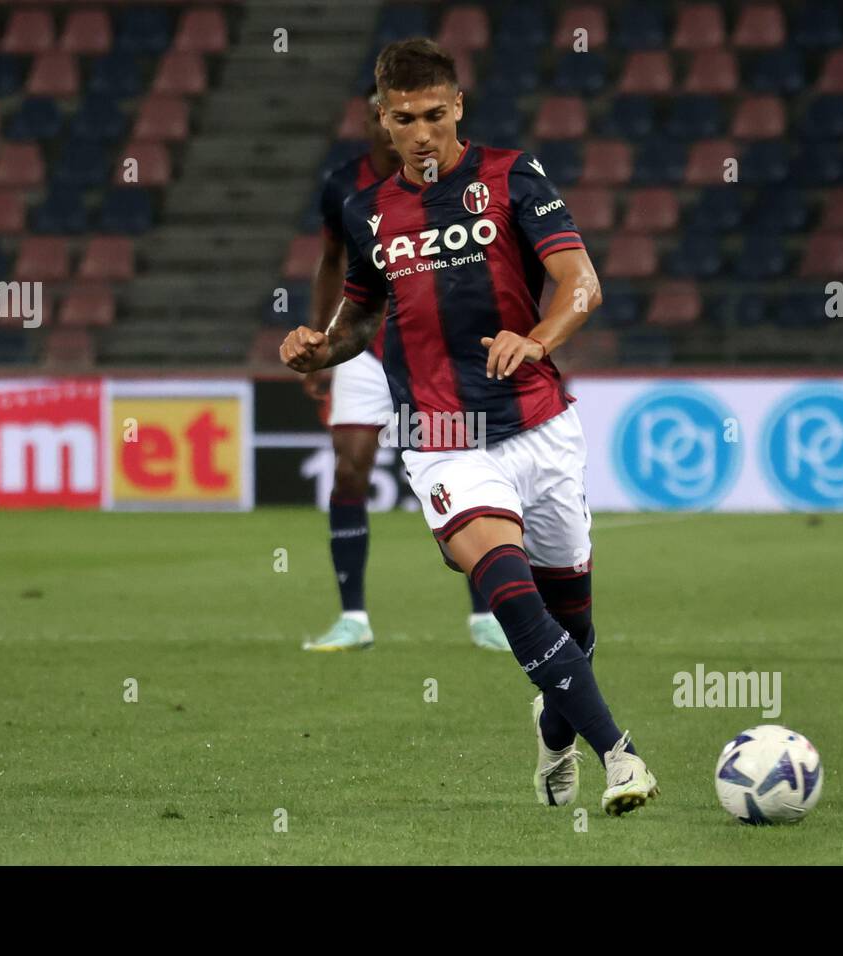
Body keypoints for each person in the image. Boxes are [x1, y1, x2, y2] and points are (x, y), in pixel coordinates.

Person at [280, 39, 658, 815]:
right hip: (440, 436)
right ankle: (621, 757)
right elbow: (360, 318)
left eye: (434, 115)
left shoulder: (513, 177)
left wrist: (537, 339)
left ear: (458, 108)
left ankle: (555, 736)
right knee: (509, 591)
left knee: (573, 625)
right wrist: (322, 345)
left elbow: (580, 284)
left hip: (541, 425)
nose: (421, 133)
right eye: (404, 119)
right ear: (382, 121)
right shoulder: (368, 213)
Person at [301, 85, 508, 654]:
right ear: (377, 123)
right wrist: (320, 342)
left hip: (431, 354)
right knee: (349, 470)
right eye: (384, 117)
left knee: (459, 479)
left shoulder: (449, 180)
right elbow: (330, 263)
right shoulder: (343, 186)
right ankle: (354, 618)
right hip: (362, 352)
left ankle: (484, 615)